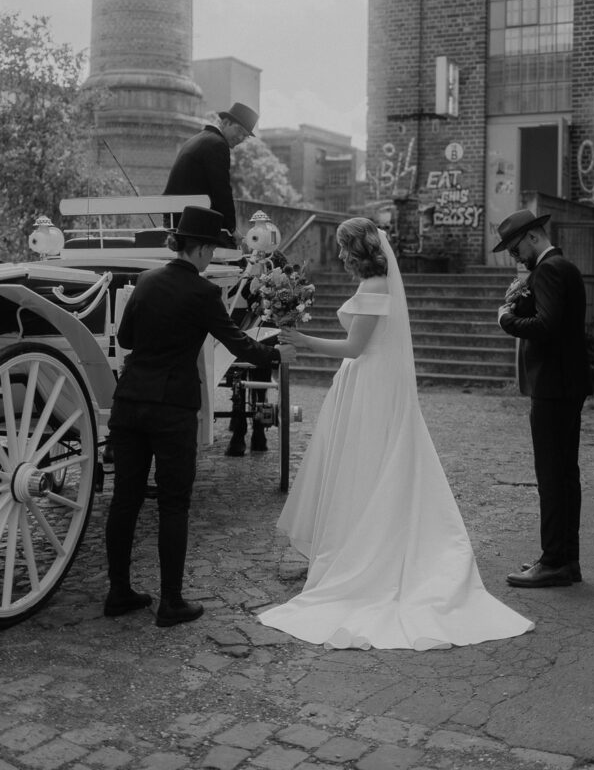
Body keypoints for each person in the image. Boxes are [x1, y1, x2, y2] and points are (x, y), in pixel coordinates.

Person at [257, 217, 533, 650]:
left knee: (367, 463)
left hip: (371, 383)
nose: (339, 254)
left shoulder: (374, 286)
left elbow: (354, 348)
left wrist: (303, 339)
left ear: (357, 248)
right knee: (373, 462)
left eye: (343, 246)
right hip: (372, 379)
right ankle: (356, 539)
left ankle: (362, 548)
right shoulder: (376, 283)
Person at [103, 206, 296, 627]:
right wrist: (276, 354)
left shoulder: (146, 280)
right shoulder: (203, 292)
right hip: (172, 408)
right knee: (174, 503)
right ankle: (171, 602)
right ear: (204, 249)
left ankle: (118, 592)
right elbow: (238, 343)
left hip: (129, 401)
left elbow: (127, 338)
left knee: (125, 500)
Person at [493, 208, 592, 589]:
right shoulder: (563, 267)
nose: (515, 257)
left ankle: (553, 562)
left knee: (552, 477)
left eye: (515, 248)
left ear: (533, 236)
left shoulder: (549, 270)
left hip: (553, 386)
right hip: (566, 384)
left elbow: (546, 326)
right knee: (565, 476)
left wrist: (507, 320)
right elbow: (556, 321)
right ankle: (566, 560)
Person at [163, 102, 259, 242]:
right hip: (189, 224)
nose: (240, 138)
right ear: (225, 123)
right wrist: (232, 229)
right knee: (235, 245)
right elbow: (221, 190)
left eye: (244, 136)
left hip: (175, 217)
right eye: (239, 131)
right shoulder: (218, 144)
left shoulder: (198, 139)